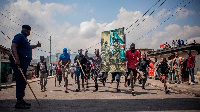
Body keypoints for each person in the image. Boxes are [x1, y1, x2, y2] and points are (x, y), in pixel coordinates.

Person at [9, 25, 41, 109]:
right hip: (19, 63)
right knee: (20, 80)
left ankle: (21, 100)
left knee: (23, 80)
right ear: (27, 31)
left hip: (24, 63)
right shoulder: (19, 37)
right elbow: (14, 46)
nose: (29, 33)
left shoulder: (24, 39)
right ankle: (19, 102)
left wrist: (37, 46)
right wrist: (17, 58)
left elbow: (29, 47)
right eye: (29, 31)